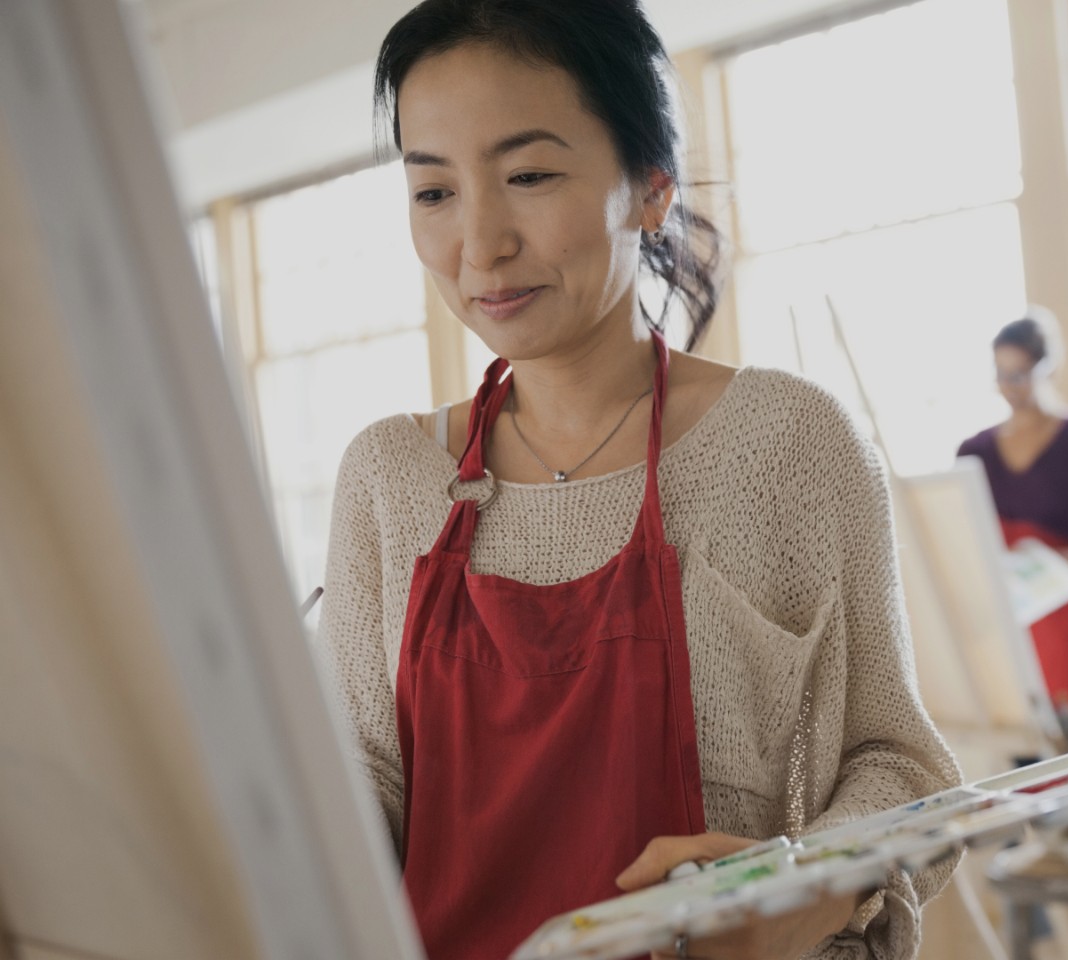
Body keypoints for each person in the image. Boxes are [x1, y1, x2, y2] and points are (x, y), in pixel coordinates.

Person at [315, 2, 960, 958]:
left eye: (528, 175)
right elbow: (361, 779)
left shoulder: (789, 443)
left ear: (650, 187)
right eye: (434, 192)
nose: (480, 244)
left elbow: (899, 764)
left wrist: (807, 886)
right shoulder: (387, 475)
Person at [958, 310, 1068, 740]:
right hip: (1006, 637)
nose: (1012, 387)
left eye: (1023, 373)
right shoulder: (974, 452)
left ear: (1051, 369)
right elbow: (963, 551)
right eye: (1001, 373)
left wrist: (1049, 564)